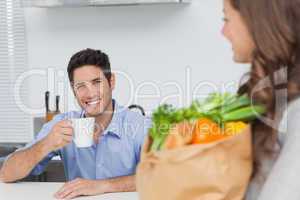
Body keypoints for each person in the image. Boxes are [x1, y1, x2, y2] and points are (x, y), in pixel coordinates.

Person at [0, 48, 151, 199]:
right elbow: (6, 174)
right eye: (81, 86)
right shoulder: (62, 124)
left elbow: (164, 175)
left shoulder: (140, 126)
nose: (90, 93)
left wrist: (103, 185)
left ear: (111, 82)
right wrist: (47, 143)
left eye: (96, 82)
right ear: (74, 90)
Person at [222, 0, 300, 199]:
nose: (223, 31)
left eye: (227, 19)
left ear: (255, 23)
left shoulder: (296, 112)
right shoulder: (268, 101)